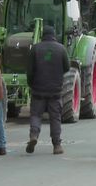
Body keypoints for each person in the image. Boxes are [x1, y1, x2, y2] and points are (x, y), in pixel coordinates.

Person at [26, 25, 70, 155]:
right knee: (55, 117)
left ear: (42, 35)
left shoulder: (35, 48)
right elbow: (67, 67)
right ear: (54, 35)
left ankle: (34, 135)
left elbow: (30, 70)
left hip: (38, 89)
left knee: (36, 115)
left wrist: (31, 84)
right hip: (55, 90)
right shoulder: (61, 49)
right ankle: (57, 145)